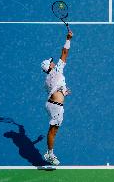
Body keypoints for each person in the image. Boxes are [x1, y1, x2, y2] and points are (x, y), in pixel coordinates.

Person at [41, 31, 73, 165]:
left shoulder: (47, 80)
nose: (53, 63)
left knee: (54, 130)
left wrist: (63, 93)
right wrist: (68, 39)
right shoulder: (56, 70)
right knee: (53, 131)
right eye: (51, 62)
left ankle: (49, 152)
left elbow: (55, 90)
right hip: (55, 106)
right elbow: (64, 53)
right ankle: (49, 154)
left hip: (51, 104)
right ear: (50, 67)